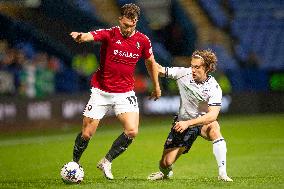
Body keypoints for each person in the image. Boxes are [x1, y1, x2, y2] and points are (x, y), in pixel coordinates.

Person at [70, 3, 161, 180]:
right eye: (125, 25)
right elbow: (91, 36)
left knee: (132, 131)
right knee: (87, 134)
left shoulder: (143, 41)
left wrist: (156, 85)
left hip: (125, 93)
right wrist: (81, 36)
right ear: (120, 19)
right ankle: (75, 164)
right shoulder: (110, 33)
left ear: (136, 22)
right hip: (101, 91)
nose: (128, 29)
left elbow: (151, 62)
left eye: (132, 25)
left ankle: (106, 161)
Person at [147, 49, 233, 182]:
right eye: (192, 66)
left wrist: (189, 123)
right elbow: (159, 69)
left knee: (214, 128)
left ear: (207, 68)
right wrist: (147, 56)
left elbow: (212, 116)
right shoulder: (183, 73)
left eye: (197, 67)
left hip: (200, 122)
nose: (193, 70)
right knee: (166, 162)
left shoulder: (214, 87)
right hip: (182, 123)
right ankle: (165, 173)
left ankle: (222, 173)